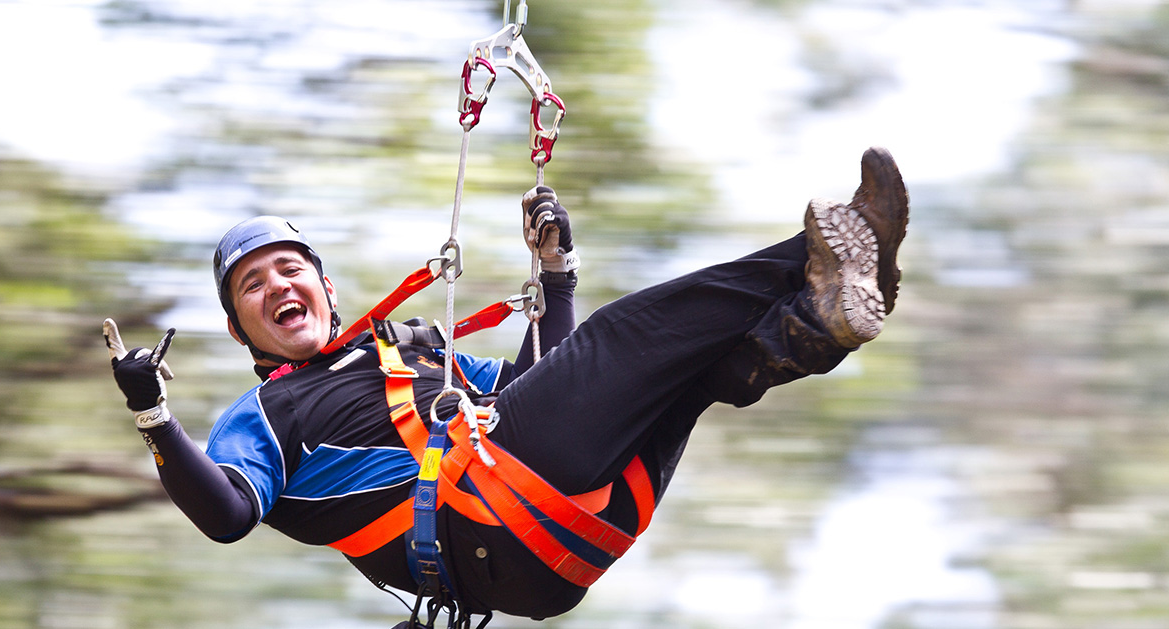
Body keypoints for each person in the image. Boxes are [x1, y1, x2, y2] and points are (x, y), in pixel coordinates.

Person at [107, 146, 909, 626]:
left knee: (683, 369)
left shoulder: (407, 359)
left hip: (571, 523)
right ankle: (832, 248)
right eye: (252, 285)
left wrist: (554, 276)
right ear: (242, 329)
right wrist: (155, 417)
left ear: (324, 286)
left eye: (290, 269)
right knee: (631, 334)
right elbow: (226, 516)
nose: (278, 286)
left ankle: (816, 321)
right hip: (492, 519)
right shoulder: (263, 416)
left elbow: (546, 385)